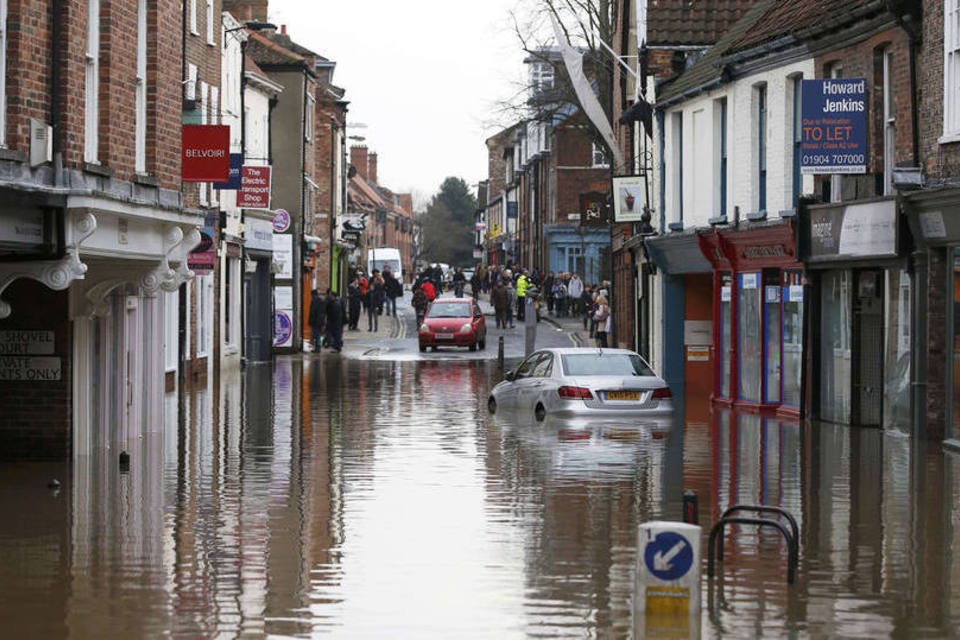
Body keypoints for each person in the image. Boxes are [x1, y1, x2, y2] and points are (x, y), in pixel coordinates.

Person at [308, 287, 327, 352]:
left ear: (313, 295)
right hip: (319, 321)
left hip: (316, 321)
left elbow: (313, 312)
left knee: (317, 335)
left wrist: (311, 321)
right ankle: (317, 347)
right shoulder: (321, 300)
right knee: (317, 334)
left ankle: (317, 348)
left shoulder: (314, 301)